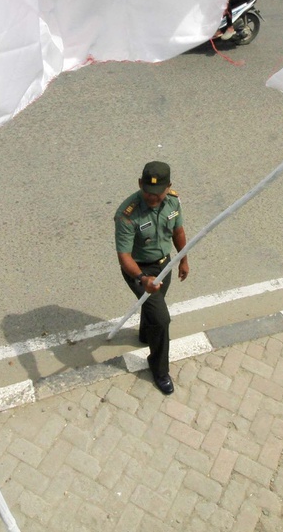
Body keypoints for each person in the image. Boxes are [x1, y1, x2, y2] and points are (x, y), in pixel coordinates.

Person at [114, 161, 190, 395]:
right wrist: (142, 278)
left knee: (153, 313)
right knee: (162, 319)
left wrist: (183, 260)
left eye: (158, 193)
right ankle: (159, 370)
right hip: (138, 271)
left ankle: (145, 335)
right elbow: (124, 256)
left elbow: (177, 231)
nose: (152, 197)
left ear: (169, 187)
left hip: (164, 266)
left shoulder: (173, 202)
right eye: (147, 191)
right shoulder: (127, 214)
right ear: (140, 184)